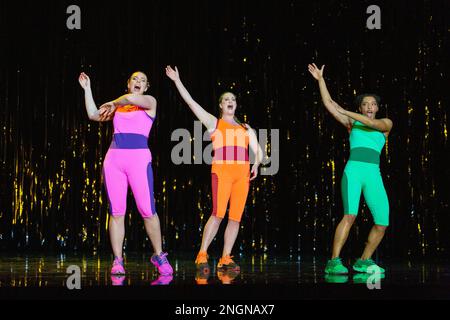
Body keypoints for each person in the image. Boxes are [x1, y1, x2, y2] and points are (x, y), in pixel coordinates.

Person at [165, 65, 263, 274]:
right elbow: (191, 102)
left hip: (242, 176)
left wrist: (256, 163)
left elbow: (258, 151)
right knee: (218, 214)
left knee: (235, 218)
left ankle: (225, 257)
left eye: (233, 100)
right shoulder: (214, 123)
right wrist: (177, 80)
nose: (230, 102)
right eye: (226, 99)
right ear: (220, 105)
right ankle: (202, 253)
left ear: (236, 105)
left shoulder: (246, 128)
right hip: (222, 173)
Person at [78, 71, 173, 276]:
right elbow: (93, 114)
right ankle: (118, 260)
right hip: (114, 161)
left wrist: (114, 103)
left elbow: (129, 99)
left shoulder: (149, 101)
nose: (138, 82)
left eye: (143, 80)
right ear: (128, 83)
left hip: (138, 161)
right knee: (117, 212)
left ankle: (158, 255)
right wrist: (88, 90)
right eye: (135, 79)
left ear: (146, 87)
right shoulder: (119, 107)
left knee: (147, 210)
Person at [308, 63, 393, 274]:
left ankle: (363, 261)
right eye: (365, 104)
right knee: (350, 215)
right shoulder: (351, 123)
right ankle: (334, 261)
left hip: (373, 174)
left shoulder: (386, 123)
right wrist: (321, 80)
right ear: (361, 108)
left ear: (377, 108)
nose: (370, 107)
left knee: (382, 222)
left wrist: (346, 111)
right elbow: (328, 103)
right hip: (354, 171)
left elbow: (373, 125)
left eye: (373, 104)